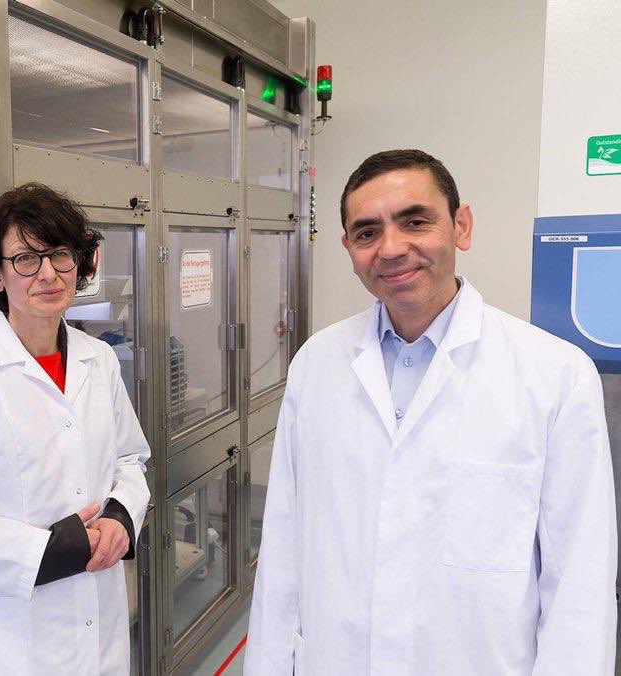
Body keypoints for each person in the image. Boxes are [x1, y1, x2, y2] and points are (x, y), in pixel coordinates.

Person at [245, 149, 617, 674]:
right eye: (367, 232)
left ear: (461, 226)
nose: (392, 248)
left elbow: (579, 578)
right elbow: (284, 542)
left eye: (415, 222)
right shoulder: (317, 363)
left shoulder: (554, 373)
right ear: (349, 248)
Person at [0, 183, 150, 674]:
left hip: (97, 617)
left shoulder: (98, 359)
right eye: (25, 259)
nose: (48, 274)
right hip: (8, 639)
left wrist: (120, 519)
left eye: (60, 255)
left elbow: (129, 458)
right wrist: (53, 549)